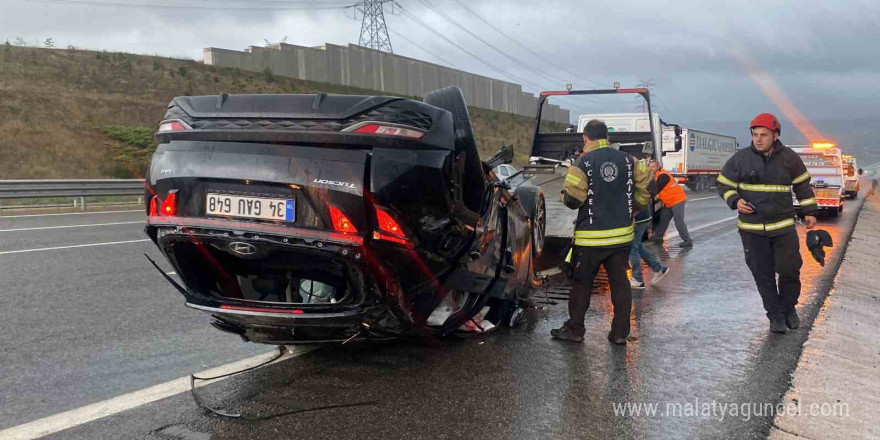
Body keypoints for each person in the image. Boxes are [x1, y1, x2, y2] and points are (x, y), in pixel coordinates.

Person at [551, 120, 652, 344]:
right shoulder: (629, 160)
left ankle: (575, 330)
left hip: (591, 240)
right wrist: (634, 208)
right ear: (608, 137)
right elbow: (647, 186)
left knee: (582, 284)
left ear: (585, 138)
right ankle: (619, 333)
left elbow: (573, 200)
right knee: (620, 285)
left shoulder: (582, 162)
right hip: (621, 238)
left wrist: (563, 195)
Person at [716, 113, 817, 334]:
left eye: (763, 135)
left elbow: (802, 186)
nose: (758, 139)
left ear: (775, 135)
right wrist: (735, 200)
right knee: (763, 274)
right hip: (752, 230)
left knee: (790, 270)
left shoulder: (789, 158)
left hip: (783, 227)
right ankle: (775, 316)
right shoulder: (741, 159)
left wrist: (809, 211)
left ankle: (788, 307)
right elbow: (723, 184)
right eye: (755, 135)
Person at [647, 159, 692, 247]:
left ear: (658, 167)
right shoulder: (656, 175)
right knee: (664, 219)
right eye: (650, 167)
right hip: (668, 202)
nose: (651, 168)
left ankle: (687, 240)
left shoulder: (663, 175)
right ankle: (658, 237)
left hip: (677, 200)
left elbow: (655, 189)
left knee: (679, 221)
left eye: (653, 167)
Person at [630, 203, 670, 289]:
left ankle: (637, 280)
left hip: (637, 219)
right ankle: (658, 268)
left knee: (633, 248)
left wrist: (632, 215)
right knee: (637, 246)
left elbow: (633, 199)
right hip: (643, 216)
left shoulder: (630, 189)